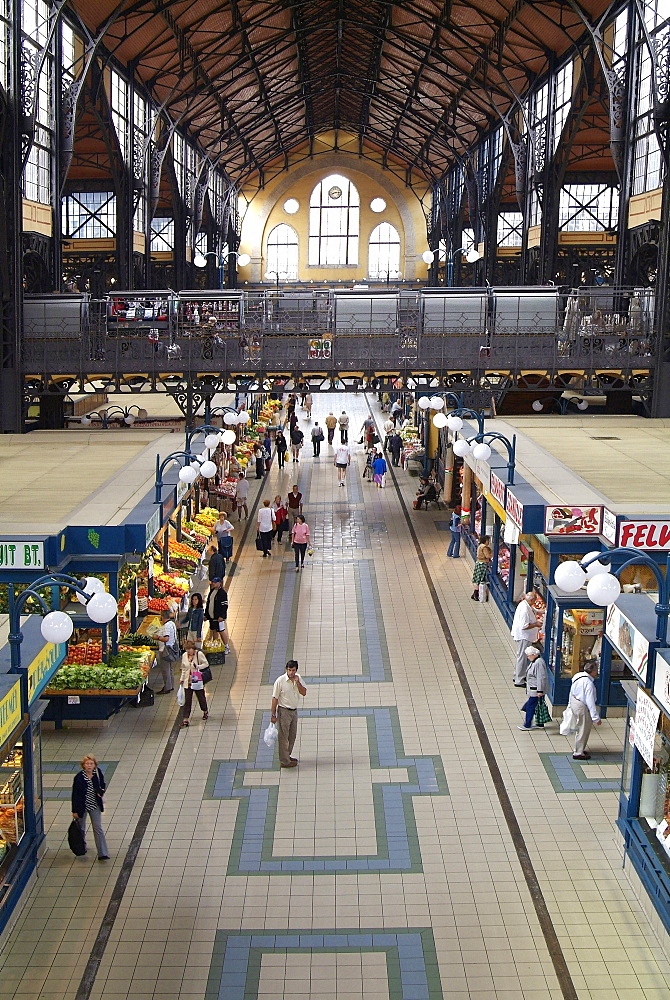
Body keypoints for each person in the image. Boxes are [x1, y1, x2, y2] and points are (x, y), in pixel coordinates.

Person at [71, 755, 109, 860]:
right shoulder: (79, 777)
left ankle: (103, 853)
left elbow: (102, 784)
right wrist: (74, 810)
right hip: (82, 806)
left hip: (94, 804)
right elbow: (75, 795)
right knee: (81, 828)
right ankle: (81, 848)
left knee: (98, 828)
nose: (89, 766)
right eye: (87, 764)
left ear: (94, 765)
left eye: (91, 764)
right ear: (83, 765)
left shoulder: (97, 773)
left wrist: (101, 791)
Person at [270, 659, 307, 767]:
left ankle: (287, 755)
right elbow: (275, 698)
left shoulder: (298, 678)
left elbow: (304, 692)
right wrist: (273, 714)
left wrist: (298, 683)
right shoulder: (280, 681)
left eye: (293, 670)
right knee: (283, 737)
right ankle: (284, 761)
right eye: (289, 670)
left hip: (294, 711)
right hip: (284, 711)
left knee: (292, 735)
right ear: (286, 669)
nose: (291, 672)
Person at [569, 659, 601, 760]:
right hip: (582, 706)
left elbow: (572, 691)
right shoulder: (589, 684)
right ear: (593, 671)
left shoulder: (578, 677)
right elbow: (590, 701)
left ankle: (580, 748)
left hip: (574, 702)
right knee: (583, 729)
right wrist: (596, 718)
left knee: (580, 727)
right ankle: (578, 752)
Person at [510, 591, 541, 684]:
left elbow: (533, 609)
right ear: (531, 600)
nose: (535, 602)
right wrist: (536, 624)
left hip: (524, 636)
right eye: (534, 600)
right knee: (522, 657)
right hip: (524, 637)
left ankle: (517, 675)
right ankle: (519, 680)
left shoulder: (524, 604)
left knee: (520, 656)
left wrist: (541, 612)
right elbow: (524, 626)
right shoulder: (524, 610)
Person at [179, 640, 209, 727]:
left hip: (196, 678)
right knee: (187, 700)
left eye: (189, 649)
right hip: (187, 681)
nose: (188, 651)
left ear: (193, 648)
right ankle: (185, 719)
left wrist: (198, 667)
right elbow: (184, 668)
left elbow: (206, 664)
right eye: (186, 649)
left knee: (201, 697)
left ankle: (205, 710)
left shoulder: (198, 654)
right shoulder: (184, 656)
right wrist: (182, 679)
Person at [518, 647, 549, 731]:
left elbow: (541, 677)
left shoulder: (538, 663)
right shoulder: (535, 661)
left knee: (530, 706)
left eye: (528, 656)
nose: (528, 657)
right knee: (536, 706)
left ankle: (527, 724)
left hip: (535, 690)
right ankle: (540, 723)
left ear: (533, 655)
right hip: (534, 689)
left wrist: (540, 690)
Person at [155, 609, 179, 692]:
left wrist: (157, 637)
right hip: (171, 649)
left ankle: (167, 687)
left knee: (165, 669)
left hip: (165, 650)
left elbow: (166, 638)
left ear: (162, 617)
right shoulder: (172, 624)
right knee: (170, 668)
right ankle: (171, 685)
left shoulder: (166, 626)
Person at [206, 577, 229, 653]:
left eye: (215, 582)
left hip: (219, 617)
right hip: (212, 616)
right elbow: (208, 603)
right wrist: (206, 615)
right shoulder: (212, 591)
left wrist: (222, 616)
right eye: (213, 582)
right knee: (214, 631)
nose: (213, 584)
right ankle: (216, 645)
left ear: (220, 583)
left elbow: (225, 606)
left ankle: (226, 646)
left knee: (221, 631)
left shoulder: (222, 593)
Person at [471, 534, 493, 602]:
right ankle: (476, 594)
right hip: (482, 564)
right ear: (486, 541)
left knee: (477, 578)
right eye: (488, 540)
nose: (489, 542)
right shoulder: (484, 548)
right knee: (480, 579)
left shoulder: (480, 546)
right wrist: (493, 554)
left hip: (479, 563)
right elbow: (487, 556)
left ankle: (475, 594)